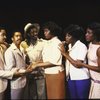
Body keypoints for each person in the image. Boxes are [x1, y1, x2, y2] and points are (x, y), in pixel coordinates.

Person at [29, 21, 66, 99]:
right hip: (49, 74)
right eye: (44, 31)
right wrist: (35, 63)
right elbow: (46, 59)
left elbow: (54, 61)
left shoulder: (57, 43)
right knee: (51, 96)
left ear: (52, 31)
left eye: (46, 31)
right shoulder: (48, 43)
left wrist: (37, 65)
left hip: (56, 74)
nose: (44, 33)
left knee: (56, 96)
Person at [58, 24, 90, 99]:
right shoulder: (70, 45)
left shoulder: (81, 46)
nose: (66, 38)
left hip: (81, 78)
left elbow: (78, 65)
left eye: (68, 36)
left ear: (74, 37)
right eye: (66, 35)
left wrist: (64, 53)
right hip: (71, 77)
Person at [0, 28, 28, 100]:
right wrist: (23, 72)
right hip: (12, 80)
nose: (5, 37)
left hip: (6, 83)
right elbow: (8, 69)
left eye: (20, 36)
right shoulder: (9, 50)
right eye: (3, 35)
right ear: (12, 38)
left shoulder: (4, 46)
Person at [21, 23, 46, 99]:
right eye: (32, 32)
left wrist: (37, 64)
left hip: (41, 73)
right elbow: (22, 60)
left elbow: (46, 58)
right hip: (30, 74)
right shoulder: (23, 44)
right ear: (28, 34)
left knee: (42, 95)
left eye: (36, 31)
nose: (35, 33)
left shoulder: (42, 43)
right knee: (32, 96)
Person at [75, 22, 100, 99]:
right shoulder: (90, 44)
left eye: (89, 33)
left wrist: (83, 65)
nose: (86, 34)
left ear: (96, 34)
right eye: (86, 32)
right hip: (92, 81)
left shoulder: (99, 49)